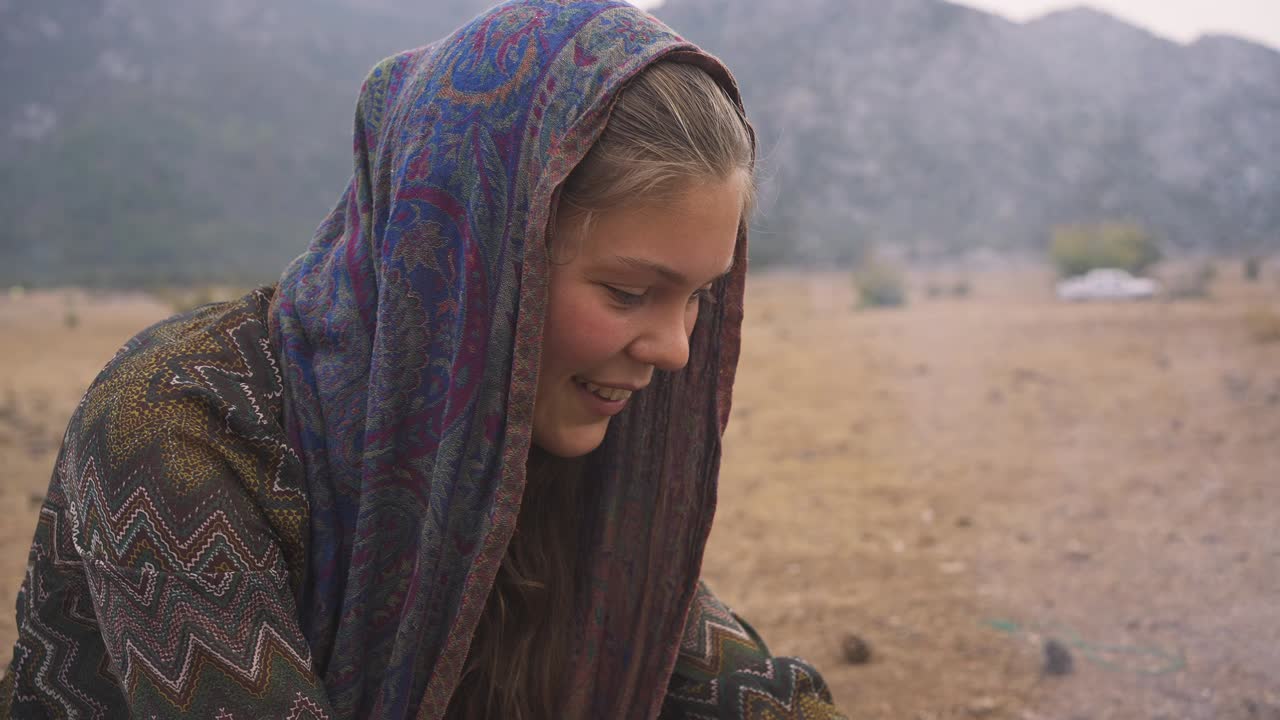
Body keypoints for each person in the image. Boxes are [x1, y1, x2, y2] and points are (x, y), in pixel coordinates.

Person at [0, 1, 845, 718]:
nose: (675, 350)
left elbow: (708, 671)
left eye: (698, 296)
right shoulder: (178, 422)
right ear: (469, 258)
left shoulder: (534, 429)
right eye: (628, 292)